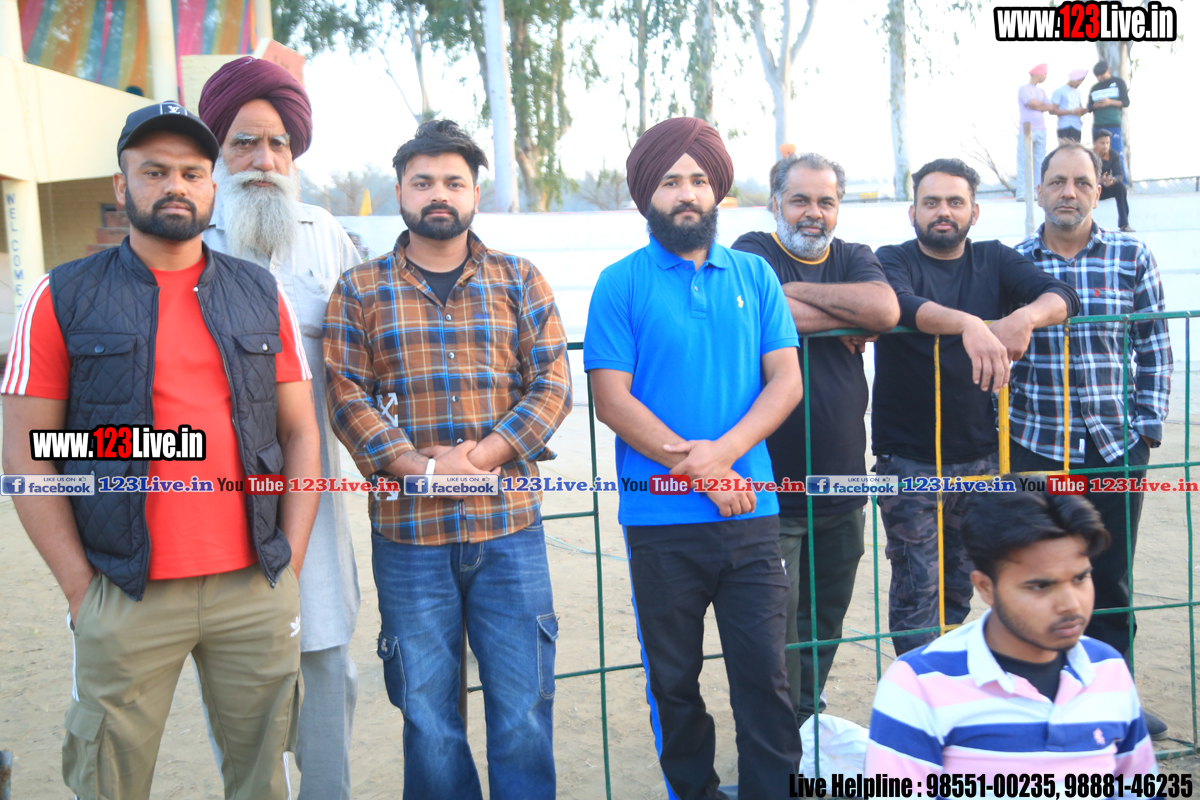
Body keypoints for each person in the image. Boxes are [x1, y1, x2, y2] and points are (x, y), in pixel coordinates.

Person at [1, 103, 321, 800]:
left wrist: (290, 563)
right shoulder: (62, 296)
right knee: (108, 782)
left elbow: (300, 433)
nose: (175, 185)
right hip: (123, 589)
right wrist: (80, 589)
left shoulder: (258, 292)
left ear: (212, 187)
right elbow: (26, 454)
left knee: (263, 781)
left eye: (191, 173)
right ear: (122, 186)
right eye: (154, 171)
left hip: (253, 588)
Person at [323, 118, 571, 800]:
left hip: (510, 530)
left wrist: (481, 457)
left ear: (475, 193)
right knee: (428, 717)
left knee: (523, 709)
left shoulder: (520, 280)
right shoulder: (360, 289)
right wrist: (422, 469)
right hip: (410, 539)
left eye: (454, 182)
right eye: (423, 181)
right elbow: (346, 395)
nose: (439, 193)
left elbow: (552, 386)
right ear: (400, 190)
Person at [585, 117, 804, 800]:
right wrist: (704, 471)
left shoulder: (756, 275)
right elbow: (611, 400)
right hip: (659, 524)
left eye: (699, 180)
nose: (687, 193)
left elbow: (786, 381)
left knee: (766, 677)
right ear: (646, 195)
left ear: (717, 191)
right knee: (673, 683)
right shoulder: (619, 284)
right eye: (671, 181)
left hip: (750, 511)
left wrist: (725, 460)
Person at [196, 56, 361, 800]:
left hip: (311, 503)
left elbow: (367, 357)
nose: (264, 160)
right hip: (211, 506)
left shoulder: (325, 235)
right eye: (244, 143)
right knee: (238, 690)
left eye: (278, 145)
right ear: (215, 152)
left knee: (327, 670)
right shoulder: (186, 237)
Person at [873, 157, 1079, 655]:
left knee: (962, 584)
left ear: (974, 211)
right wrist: (970, 323)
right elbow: (900, 305)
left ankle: (953, 681)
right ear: (913, 212)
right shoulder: (892, 258)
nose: (943, 211)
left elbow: (1062, 296)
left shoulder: (994, 258)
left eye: (955, 202)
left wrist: (1024, 318)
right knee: (916, 587)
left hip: (981, 457)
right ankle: (919, 689)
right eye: (931, 202)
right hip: (908, 460)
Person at [730, 152, 899, 727]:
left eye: (826, 201)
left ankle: (806, 717)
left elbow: (884, 309)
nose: (813, 213)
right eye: (800, 199)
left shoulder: (854, 255)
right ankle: (777, 731)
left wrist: (795, 298)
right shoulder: (752, 251)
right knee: (775, 622)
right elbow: (759, 309)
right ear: (775, 202)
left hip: (843, 483)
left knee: (826, 618)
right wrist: (846, 318)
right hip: (770, 485)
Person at [1010, 141, 1172, 738]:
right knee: (1037, 574)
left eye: (1081, 182)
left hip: (1114, 447)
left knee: (1108, 578)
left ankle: (1112, 701)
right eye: (1057, 182)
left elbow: (1154, 344)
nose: (1068, 192)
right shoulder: (1014, 262)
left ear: (1099, 190)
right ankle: (1041, 703)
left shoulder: (1131, 255)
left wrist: (1145, 430)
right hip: (1034, 445)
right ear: (1040, 190)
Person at [865, 482, 1157, 777]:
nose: (1071, 605)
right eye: (1040, 586)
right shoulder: (919, 686)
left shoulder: (1107, 668)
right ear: (985, 587)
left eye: (1080, 579)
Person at [1015, 63, 1055, 200]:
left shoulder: (1041, 91)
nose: (1045, 76)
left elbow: (1050, 107)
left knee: (1040, 162)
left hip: (1041, 129)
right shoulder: (1024, 89)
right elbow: (1030, 102)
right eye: (1044, 73)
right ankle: (1022, 192)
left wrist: (1036, 105)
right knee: (1024, 161)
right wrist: (1040, 105)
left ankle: (1037, 191)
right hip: (1026, 130)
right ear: (1038, 73)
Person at [1088, 60, 1130, 180]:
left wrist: (1110, 102)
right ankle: (1098, 182)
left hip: (1113, 124)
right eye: (1097, 76)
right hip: (1098, 125)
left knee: (1117, 153)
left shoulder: (1118, 82)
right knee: (1097, 156)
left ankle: (1121, 183)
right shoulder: (1095, 88)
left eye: (1102, 75)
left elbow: (1126, 102)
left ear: (1108, 70)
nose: (1100, 78)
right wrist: (1095, 106)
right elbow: (1089, 107)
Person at [1092, 128, 1133, 231]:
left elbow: (1119, 174)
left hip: (1103, 189)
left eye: (1108, 143)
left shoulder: (1113, 155)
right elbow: (1081, 177)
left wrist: (1112, 180)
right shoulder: (1088, 156)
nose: (1106, 146)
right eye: (1102, 143)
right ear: (1095, 144)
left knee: (1121, 187)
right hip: (1090, 189)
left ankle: (1124, 224)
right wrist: (1098, 181)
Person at [1051, 68, 1090, 143]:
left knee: (1076, 149)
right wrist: (1072, 111)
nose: (1080, 83)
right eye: (1078, 80)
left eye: (1081, 81)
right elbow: (1052, 110)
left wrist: (1085, 110)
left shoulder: (1078, 92)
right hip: (1065, 126)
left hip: (1077, 126)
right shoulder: (1060, 91)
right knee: (1066, 149)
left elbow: (1079, 109)